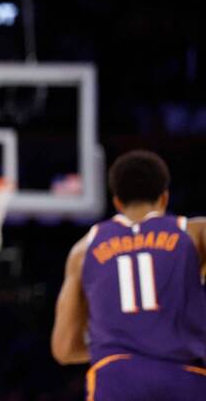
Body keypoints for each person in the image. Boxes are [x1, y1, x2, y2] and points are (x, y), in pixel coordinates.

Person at [51, 150, 206, 400]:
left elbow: (64, 348)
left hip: (116, 376)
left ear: (117, 203)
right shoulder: (194, 233)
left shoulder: (83, 250)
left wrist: (123, 346)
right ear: (164, 198)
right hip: (184, 375)